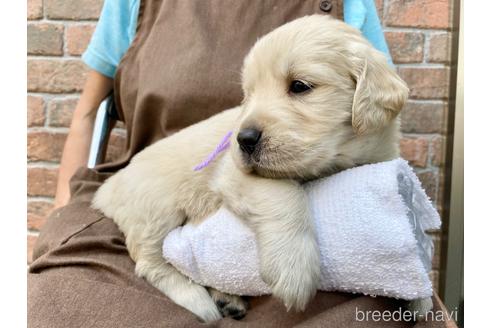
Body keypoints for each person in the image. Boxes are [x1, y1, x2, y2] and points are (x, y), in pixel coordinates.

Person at [29, 0, 455, 327]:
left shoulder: (351, 30)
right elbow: (87, 112)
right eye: (249, 95)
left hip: (289, 244)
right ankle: (162, 270)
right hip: (155, 188)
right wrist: (58, 209)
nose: (248, 123)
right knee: (60, 305)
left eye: (300, 86)